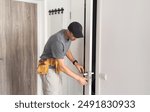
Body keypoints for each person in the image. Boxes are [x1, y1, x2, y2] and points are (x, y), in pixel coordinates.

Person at [37, 21, 88, 95]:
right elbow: (61, 66)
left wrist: (75, 63)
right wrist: (79, 78)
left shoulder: (67, 35)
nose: (75, 39)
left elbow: (66, 50)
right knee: (52, 94)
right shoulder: (58, 41)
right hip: (48, 68)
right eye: (74, 36)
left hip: (55, 67)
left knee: (58, 93)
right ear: (69, 31)